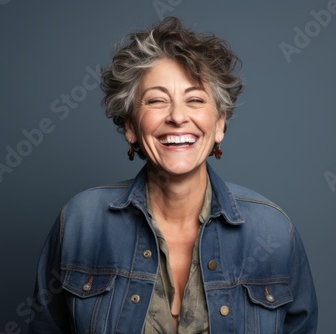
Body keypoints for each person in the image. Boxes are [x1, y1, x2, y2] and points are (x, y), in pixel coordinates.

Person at [29, 17, 317, 333]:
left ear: (220, 123)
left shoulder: (273, 231)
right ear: (130, 126)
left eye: (194, 100)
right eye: (156, 100)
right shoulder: (81, 222)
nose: (178, 117)